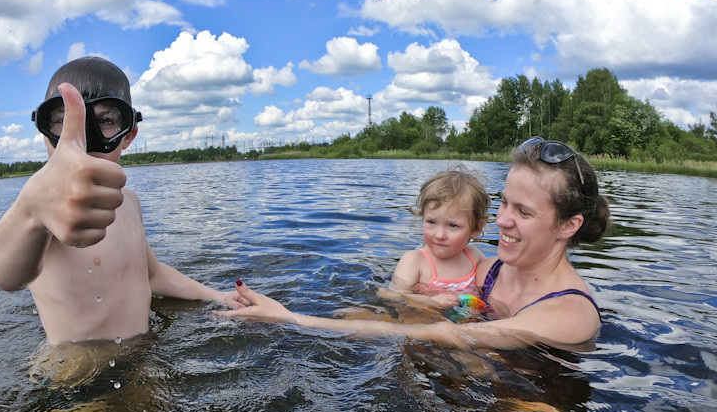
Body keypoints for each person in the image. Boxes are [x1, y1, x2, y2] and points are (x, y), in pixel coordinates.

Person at [219, 137, 610, 348]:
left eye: (523, 212)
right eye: (504, 202)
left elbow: (447, 334)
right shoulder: (489, 271)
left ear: (568, 225)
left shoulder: (569, 314)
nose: (503, 220)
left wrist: (291, 319)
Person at [0, 56, 246, 345]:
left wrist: (218, 296)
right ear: (44, 131)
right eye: (61, 120)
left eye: (105, 121)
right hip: (77, 375)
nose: (82, 138)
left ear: (128, 135)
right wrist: (31, 209)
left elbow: (152, 274)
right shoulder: (47, 209)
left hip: (142, 358)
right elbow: (7, 277)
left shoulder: (129, 202)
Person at [386, 166, 489, 316]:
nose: (440, 235)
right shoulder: (415, 261)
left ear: (476, 228)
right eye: (431, 222)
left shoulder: (475, 257)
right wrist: (431, 301)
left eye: (453, 225)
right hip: (421, 325)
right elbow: (390, 296)